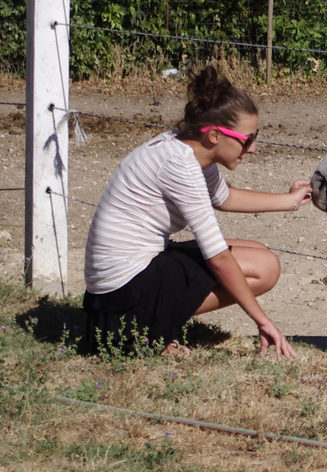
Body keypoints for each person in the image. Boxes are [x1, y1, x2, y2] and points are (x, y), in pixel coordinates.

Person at [80, 66, 311, 358]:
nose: (253, 148)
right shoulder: (180, 166)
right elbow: (218, 258)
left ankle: (157, 321)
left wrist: (289, 200)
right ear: (215, 134)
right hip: (122, 301)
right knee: (264, 267)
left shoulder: (186, 147)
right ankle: (149, 331)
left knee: (258, 250)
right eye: (248, 138)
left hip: (123, 283)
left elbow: (224, 197)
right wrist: (264, 322)